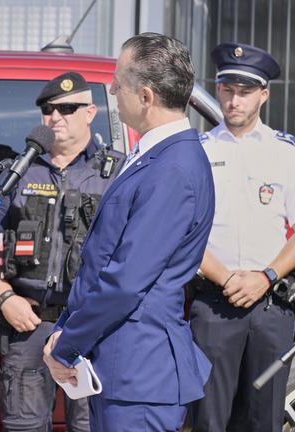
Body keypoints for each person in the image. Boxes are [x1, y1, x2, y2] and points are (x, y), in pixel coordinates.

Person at [42, 32, 214, 430]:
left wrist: (68, 343)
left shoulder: (172, 168)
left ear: (147, 96)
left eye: (119, 81)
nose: (113, 89)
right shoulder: (155, 155)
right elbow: (102, 262)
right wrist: (66, 329)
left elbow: (126, 280)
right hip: (123, 367)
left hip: (140, 373)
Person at [0, 71, 123, 431]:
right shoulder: (18, 171)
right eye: (48, 109)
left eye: (67, 108)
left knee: (91, 426)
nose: (55, 117)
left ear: (90, 113)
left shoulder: (115, 172)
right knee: (22, 426)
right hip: (28, 323)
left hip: (91, 325)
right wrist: (5, 298)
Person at [187, 42, 295, 432]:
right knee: (208, 420)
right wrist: (228, 278)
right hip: (214, 304)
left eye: (245, 92)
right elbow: (184, 232)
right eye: (227, 90)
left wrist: (266, 276)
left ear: (264, 94)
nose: (234, 101)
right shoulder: (197, 151)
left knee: (264, 420)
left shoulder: (285, 153)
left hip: (271, 307)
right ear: (217, 89)